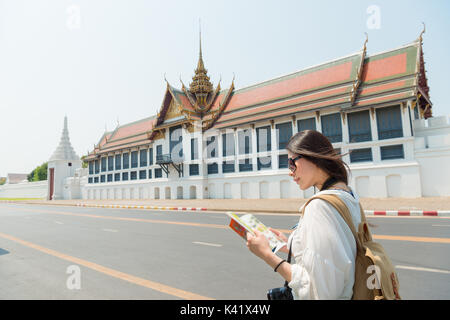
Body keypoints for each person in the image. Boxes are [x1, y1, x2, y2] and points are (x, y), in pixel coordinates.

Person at [246, 129, 361, 300]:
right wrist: (291, 245)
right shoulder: (347, 194)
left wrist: (267, 255)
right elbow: (338, 255)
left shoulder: (320, 207)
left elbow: (319, 292)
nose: (290, 171)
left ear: (312, 157)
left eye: (292, 163)